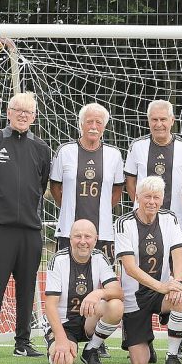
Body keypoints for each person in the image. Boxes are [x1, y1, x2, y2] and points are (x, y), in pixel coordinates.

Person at [0, 92, 52, 358]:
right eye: (18, 110)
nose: (22, 115)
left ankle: (23, 343)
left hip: (30, 230)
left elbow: (41, 185)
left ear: (34, 116)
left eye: (28, 112)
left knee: (28, 287)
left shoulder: (41, 148)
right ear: (8, 112)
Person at [115, 176, 182, 364]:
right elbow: (130, 268)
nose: (152, 202)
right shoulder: (124, 223)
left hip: (161, 292)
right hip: (135, 297)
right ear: (137, 197)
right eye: (147, 197)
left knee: (180, 298)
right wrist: (162, 287)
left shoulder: (169, 218)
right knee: (140, 363)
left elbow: (179, 257)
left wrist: (177, 283)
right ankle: (146, 340)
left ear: (162, 199)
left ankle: (172, 356)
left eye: (156, 197)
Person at [43, 219, 123, 364]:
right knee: (63, 363)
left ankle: (91, 349)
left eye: (88, 237)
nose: (83, 241)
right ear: (70, 238)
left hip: (88, 320)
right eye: (78, 236)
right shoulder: (58, 260)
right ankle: (56, 341)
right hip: (64, 325)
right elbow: (50, 305)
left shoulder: (100, 257)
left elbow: (118, 292)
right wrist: (61, 339)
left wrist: (98, 293)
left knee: (116, 306)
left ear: (95, 239)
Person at [50, 102, 125, 260]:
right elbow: (55, 187)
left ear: (104, 126)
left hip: (102, 232)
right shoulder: (65, 151)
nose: (93, 126)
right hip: (68, 232)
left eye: (98, 122)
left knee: (104, 281)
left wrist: (103, 206)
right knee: (66, 279)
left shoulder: (114, 155)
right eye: (89, 121)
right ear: (81, 124)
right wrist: (67, 205)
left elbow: (117, 190)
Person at [124, 99, 182, 237]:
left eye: (163, 119)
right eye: (154, 119)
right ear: (148, 121)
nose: (159, 124)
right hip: (141, 221)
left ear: (172, 120)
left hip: (177, 223)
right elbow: (130, 182)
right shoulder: (137, 146)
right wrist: (145, 204)